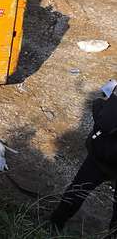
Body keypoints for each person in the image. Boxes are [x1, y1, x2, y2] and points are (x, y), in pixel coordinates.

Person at [50, 82, 117, 235]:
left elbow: (105, 122)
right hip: (105, 155)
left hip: (102, 157)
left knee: (77, 191)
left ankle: (53, 227)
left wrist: (100, 103)